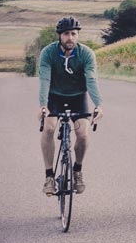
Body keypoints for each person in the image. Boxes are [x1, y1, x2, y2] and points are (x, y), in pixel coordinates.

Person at [38, 16, 100, 196]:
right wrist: (43, 105)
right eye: (66, 34)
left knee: (82, 133)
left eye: (74, 34)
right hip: (54, 97)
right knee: (49, 129)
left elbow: (91, 80)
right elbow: (44, 80)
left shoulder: (86, 54)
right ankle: (49, 176)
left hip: (78, 97)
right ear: (59, 36)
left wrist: (99, 105)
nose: (70, 38)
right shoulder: (48, 53)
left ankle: (77, 170)